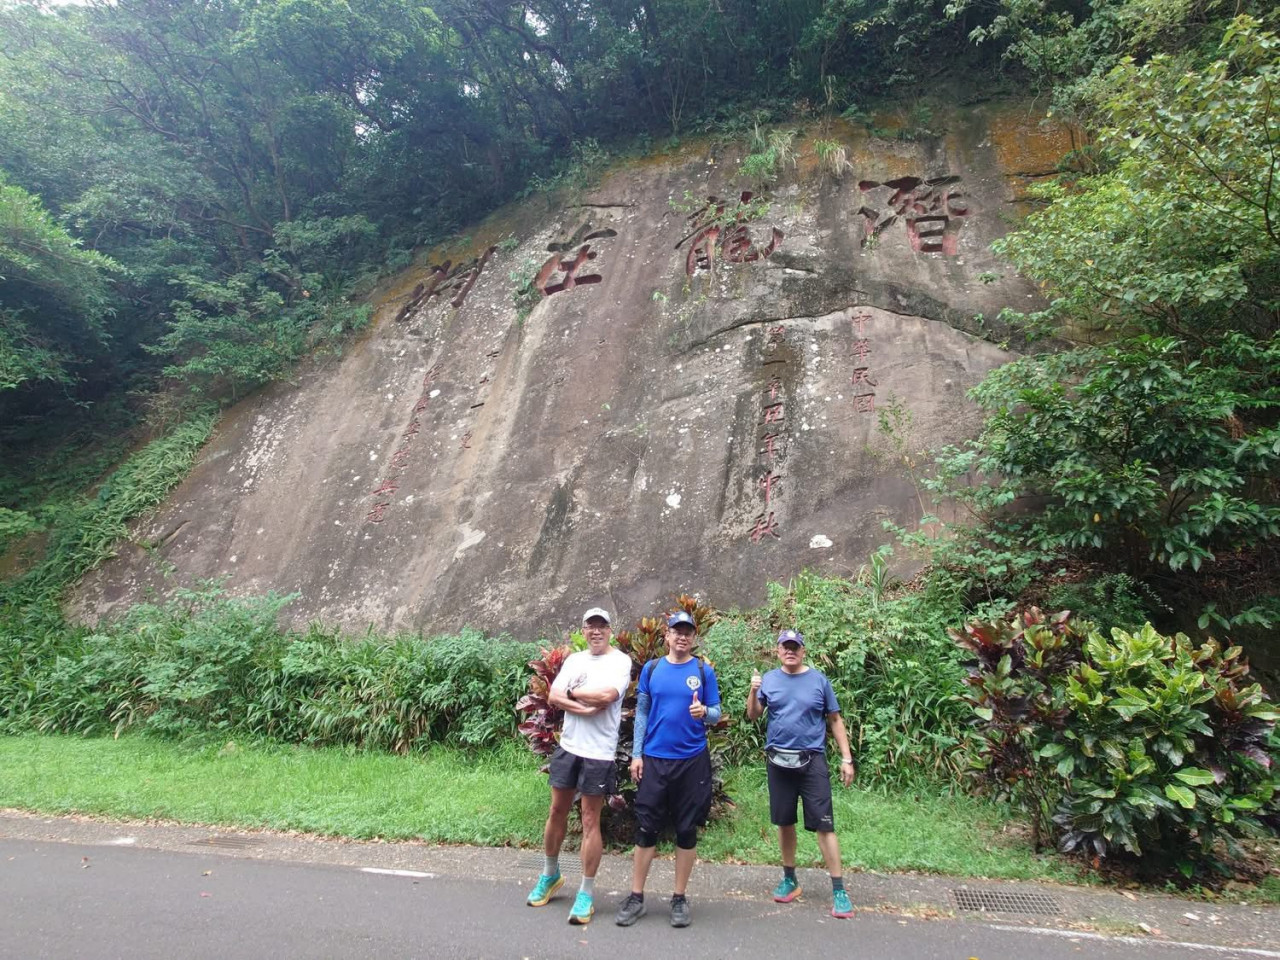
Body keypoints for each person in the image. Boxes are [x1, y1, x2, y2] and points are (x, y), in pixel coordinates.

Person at [615, 611, 722, 929]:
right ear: (668, 636)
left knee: (687, 830)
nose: (682, 636)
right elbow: (643, 713)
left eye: (688, 631)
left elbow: (717, 712)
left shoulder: (703, 670)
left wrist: (705, 711)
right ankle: (636, 897)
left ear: (693, 637)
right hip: (655, 759)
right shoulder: (651, 669)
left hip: (692, 761)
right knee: (647, 828)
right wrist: (637, 754)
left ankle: (679, 898)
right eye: (677, 631)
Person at [526, 607, 633, 925]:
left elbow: (607, 695)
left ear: (610, 631)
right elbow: (554, 696)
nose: (596, 631)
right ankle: (550, 875)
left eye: (602, 626)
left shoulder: (620, 661)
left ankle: (586, 892)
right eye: (590, 626)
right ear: (583, 631)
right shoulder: (575, 661)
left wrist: (574, 692)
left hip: (598, 752)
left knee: (590, 819)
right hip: (569, 747)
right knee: (556, 811)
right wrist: (581, 707)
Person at [745, 628, 856, 919]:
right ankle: (790, 879)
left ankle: (839, 890)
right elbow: (754, 714)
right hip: (778, 761)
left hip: (813, 762)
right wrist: (754, 690)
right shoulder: (769, 679)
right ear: (778, 650)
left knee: (824, 826)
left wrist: (846, 758)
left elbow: (834, 719)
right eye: (785, 646)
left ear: (803, 650)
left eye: (795, 646)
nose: (790, 651)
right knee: (784, 822)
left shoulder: (819, 680)